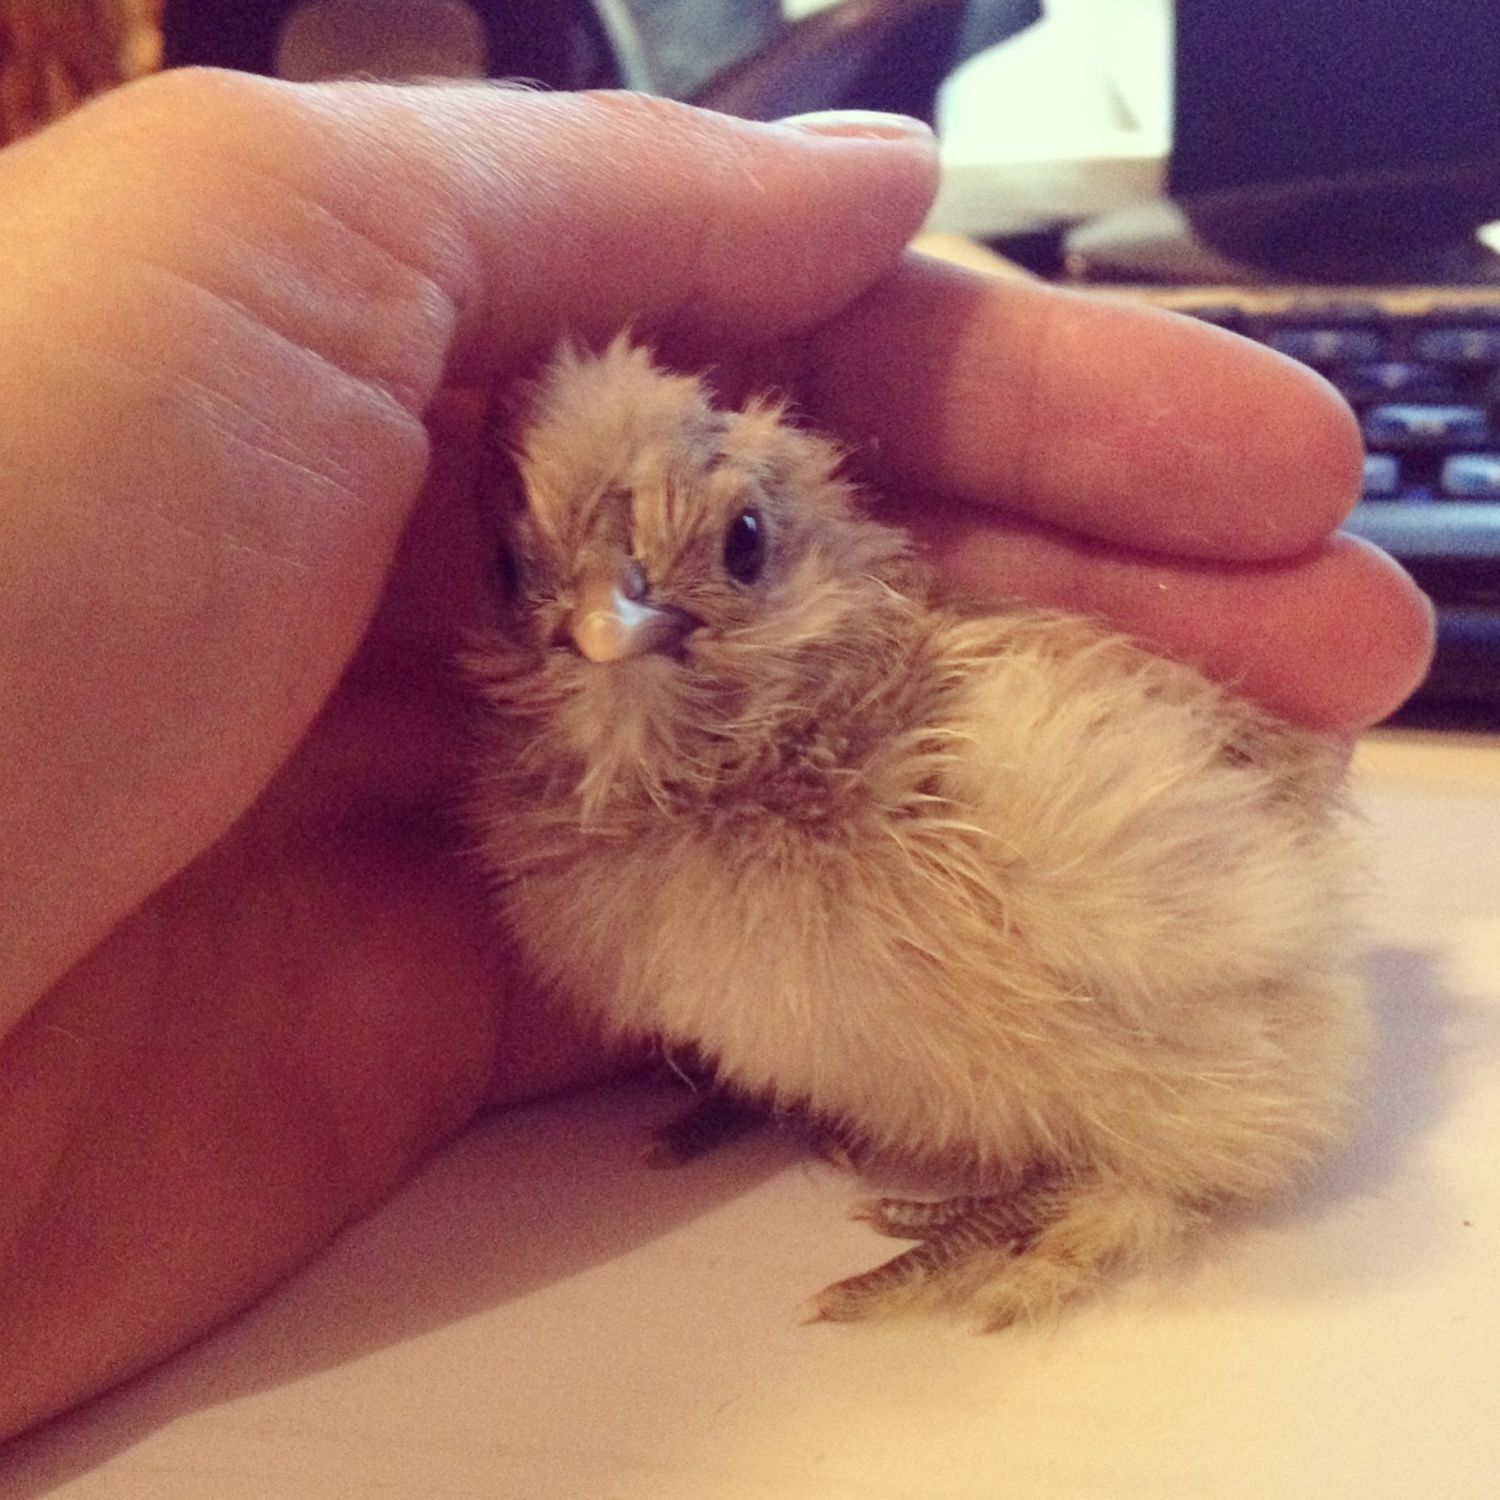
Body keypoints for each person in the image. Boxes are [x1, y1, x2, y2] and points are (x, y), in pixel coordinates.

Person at [0, 70, 1432, 1441]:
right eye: (537, 580)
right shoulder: (555, 847)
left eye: (732, 549)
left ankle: (1124, 1186)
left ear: (802, 537)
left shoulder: (996, 756)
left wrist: (1132, 1176)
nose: (607, 618)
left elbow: (1276, 1050)